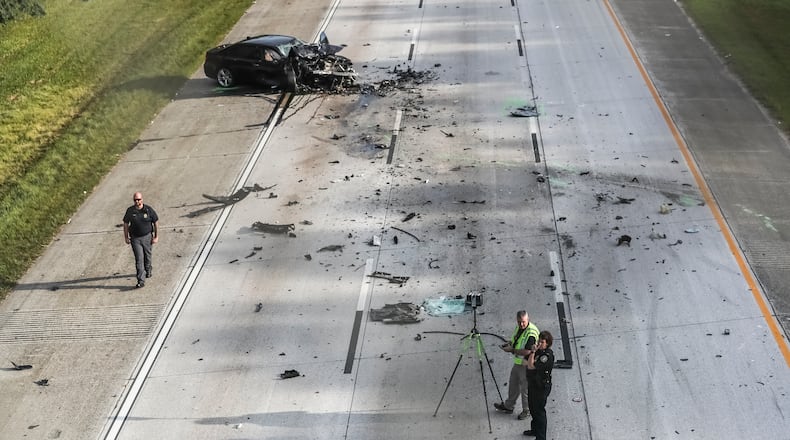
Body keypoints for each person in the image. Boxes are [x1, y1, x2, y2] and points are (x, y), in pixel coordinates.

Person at [494, 310, 539, 420]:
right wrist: (510, 344)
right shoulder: (519, 328)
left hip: (527, 364)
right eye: (519, 322)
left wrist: (512, 350)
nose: (521, 324)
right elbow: (517, 340)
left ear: (528, 320)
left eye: (523, 322)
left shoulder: (531, 333)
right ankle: (509, 406)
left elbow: (528, 351)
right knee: (513, 384)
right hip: (519, 362)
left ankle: (526, 410)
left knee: (525, 389)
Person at [123, 192, 159, 288]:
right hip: (135, 238)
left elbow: (155, 222)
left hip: (147, 237)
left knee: (147, 256)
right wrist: (126, 237)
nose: (137, 201)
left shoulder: (148, 210)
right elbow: (126, 224)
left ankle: (148, 269)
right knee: (139, 259)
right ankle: (141, 280)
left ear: (142, 199)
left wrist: (156, 236)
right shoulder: (130, 211)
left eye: (138, 199)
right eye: (135, 200)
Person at [523, 331, 554, 439]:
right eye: (539, 341)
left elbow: (531, 366)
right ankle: (535, 430)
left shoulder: (546, 356)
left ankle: (541, 437)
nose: (539, 344)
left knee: (539, 412)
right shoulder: (539, 352)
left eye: (542, 342)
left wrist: (532, 352)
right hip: (533, 384)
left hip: (541, 387)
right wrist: (532, 353)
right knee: (532, 408)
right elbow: (525, 362)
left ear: (547, 343)